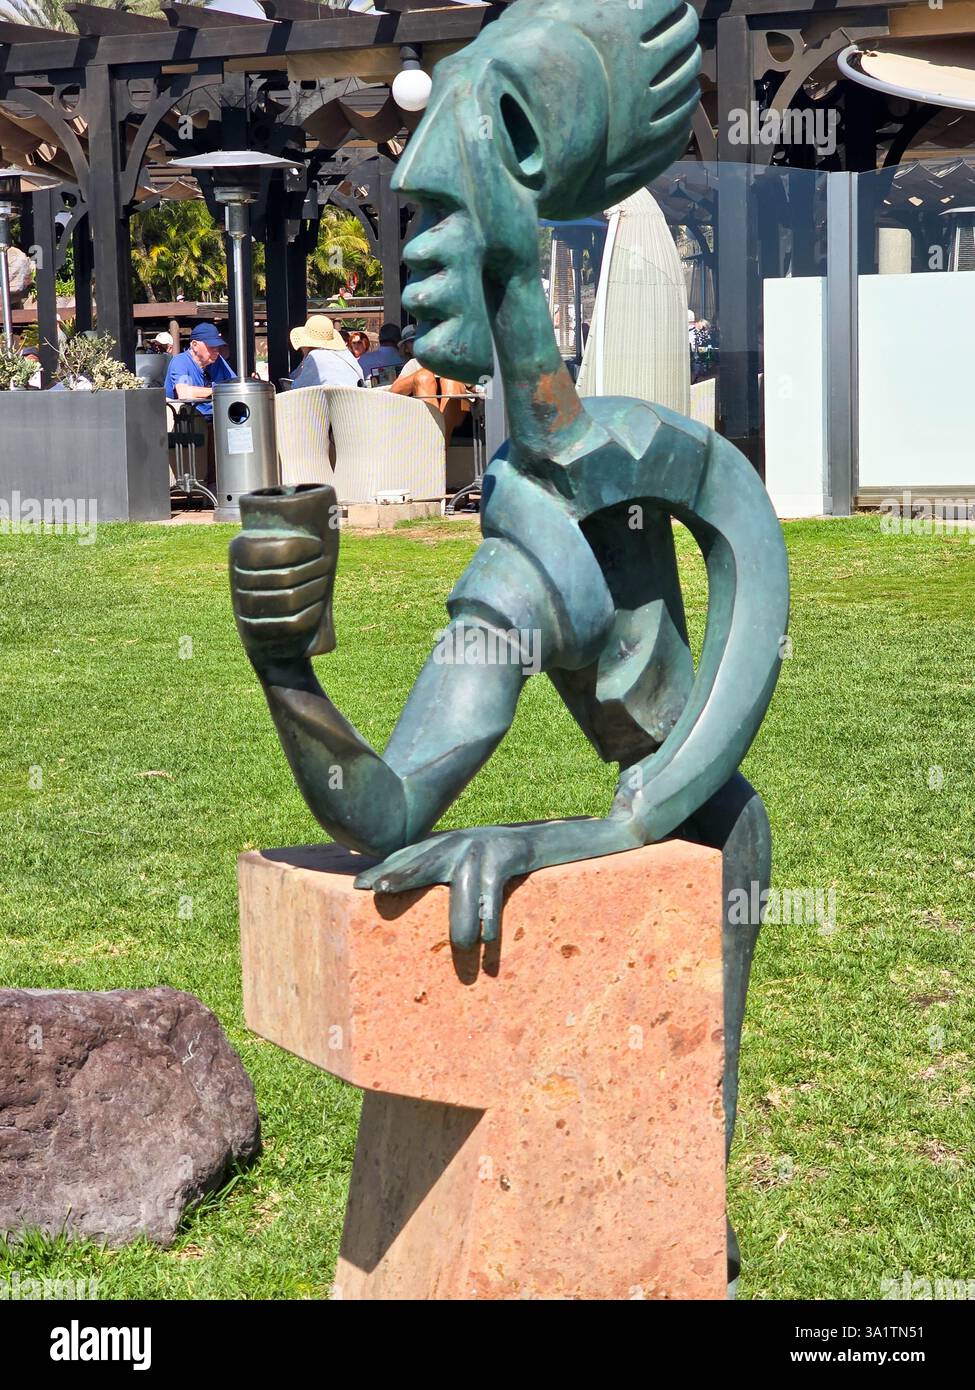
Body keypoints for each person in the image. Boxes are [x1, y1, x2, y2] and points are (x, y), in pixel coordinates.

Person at [390, 325, 469, 444]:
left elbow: (480, 385)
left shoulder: (455, 359)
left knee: (450, 381)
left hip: (462, 419)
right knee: (424, 377)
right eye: (412, 341)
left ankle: (437, 443)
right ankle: (440, 441)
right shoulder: (413, 364)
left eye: (424, 338)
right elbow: (393, 392)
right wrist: (424, 372)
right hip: (423, 421)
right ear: (406, 348)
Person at [164, 323, 236, 418]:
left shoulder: (218, 360)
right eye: (211, 346)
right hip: (186, 422)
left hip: (216, 418)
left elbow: (235, 385)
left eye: (218, 346)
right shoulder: (180, 361)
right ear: (194, 345)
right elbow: (184, 393)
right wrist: (217, 390)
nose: (216, 350)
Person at [288, 315, 364, 390]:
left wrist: (304, 360)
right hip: (356, 400)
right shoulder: (347, 355)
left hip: (331, 401)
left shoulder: (315, 357)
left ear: (306, 344)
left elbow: (296, 388)